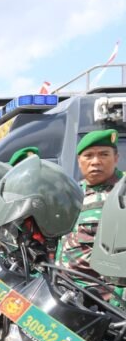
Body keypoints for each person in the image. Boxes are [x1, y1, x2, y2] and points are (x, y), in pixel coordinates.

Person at [56, 128, 124, 304]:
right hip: (69, 292)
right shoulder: (73, 191)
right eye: (89, 155)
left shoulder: (122, 193)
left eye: (103, 154)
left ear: (116, 158)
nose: (96, 162)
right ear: (80, 161)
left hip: (107, 300)